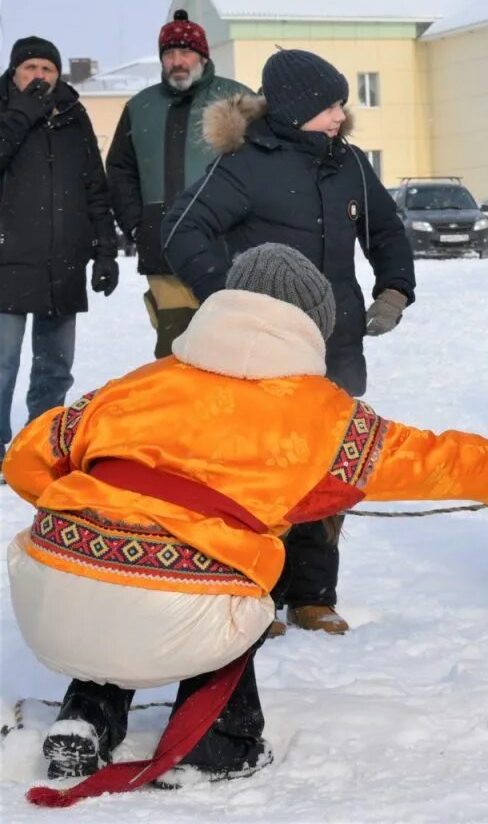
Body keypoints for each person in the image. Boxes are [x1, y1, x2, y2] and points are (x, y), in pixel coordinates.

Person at [3, 244, 488, 804]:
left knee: (128, 572)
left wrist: (92, 518)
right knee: (238, 576)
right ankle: (220, 743)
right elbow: (435, 461)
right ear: (313, 327)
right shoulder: (323, 415)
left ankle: (85, 717)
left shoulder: (138, 385)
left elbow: (27, 458)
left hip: (51, 593)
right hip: (183, 612)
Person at [163, 49, 415, 635]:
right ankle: (256, 592)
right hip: (265, 351)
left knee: (327, 467)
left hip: (338, 345)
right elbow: (182, 228)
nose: (340, 117)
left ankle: (312, 595)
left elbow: (387, 230)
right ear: (300, 108)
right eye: (330, 106)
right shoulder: (245, 163)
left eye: (341, 105)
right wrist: (229, 299)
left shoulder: (347, 162)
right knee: (261, 471)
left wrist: (395, 290)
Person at [106, 10, 252, 356]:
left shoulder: (237, 100)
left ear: (203, 56)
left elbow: (264, 167)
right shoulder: (141, 107)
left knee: (229, 347)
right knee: (173, 349)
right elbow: (120, 171)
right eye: (169, 54)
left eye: (186, 52)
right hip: (163, 250)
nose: (177, 62)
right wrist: (139, 226)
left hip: (227, 250)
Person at [0, 37, 118, 467]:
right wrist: (22, 114)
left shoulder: (73, 114)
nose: (39, 76)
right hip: (7, 260)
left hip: (62, 262)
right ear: (14, 73)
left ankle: (40, 445)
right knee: (2, 365)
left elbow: (95, 187)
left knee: (55, 365)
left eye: (47, 69)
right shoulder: (5, 111)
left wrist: (105, 250)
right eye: (30, 67)